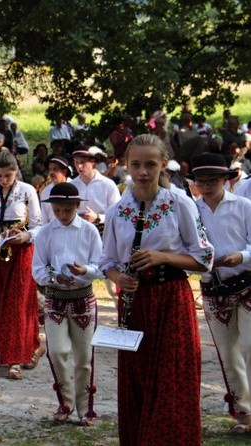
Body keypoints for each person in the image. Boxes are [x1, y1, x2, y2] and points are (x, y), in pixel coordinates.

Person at [100, 134, 213, 445]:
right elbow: (107, 261)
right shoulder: (116, 210)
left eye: (150, 164)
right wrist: (117, 278)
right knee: (137, 380)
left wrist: (162, 256)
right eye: (135, 164)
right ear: (126, 166)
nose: (143, 172)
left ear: (164, 164)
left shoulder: (180, 203)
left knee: (171, 382)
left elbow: (204, 258)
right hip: (133, 302)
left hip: (171, 300)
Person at [189, 153, 251, 434]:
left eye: (212, 180)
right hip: (213, 287)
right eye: (201, 180)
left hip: (247, 281)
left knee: (250, 346)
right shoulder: (191, 210)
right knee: (228, 353)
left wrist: (242, 255)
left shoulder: (244, 206)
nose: (206, 185)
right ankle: (244, 410)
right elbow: (185, 247)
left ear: (226, 179)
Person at [33, 182, 103, 426]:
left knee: (84, 357)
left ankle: (85, 408)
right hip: (55, 300)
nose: (62, 215)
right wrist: (54, 278)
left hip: (84, 299)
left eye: (67, 210)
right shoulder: (45, 233)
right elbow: (37, 269)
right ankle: (66, 402)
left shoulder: (89, 231)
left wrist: (85, 270)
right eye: (57, 210)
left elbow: (101, 266)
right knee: (57, 351)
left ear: (76, 206)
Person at [0, 149, 43, 379]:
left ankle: (14, 360)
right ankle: (28, 346)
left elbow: (38, 225)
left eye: (8, 175)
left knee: (19, 303)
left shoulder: (27, 191)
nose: (4, 180)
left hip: (22, 251)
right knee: (3, 304)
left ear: (16, 172)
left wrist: (27, 236)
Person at [69, 147, 121, 233]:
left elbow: (118, 213)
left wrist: (98, 217)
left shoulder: (107, 184)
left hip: (102, 231)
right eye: (76, 162)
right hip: (78, 231)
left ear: (92, 162)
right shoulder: (72, 185)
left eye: (83, 162)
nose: (79, 166)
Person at [40, 155, 71, 225]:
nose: (51, 173)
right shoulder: (46, 192)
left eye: (55, 169)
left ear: (64, 172)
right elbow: (44, 219)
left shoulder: (75, 187)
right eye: (50, 169)